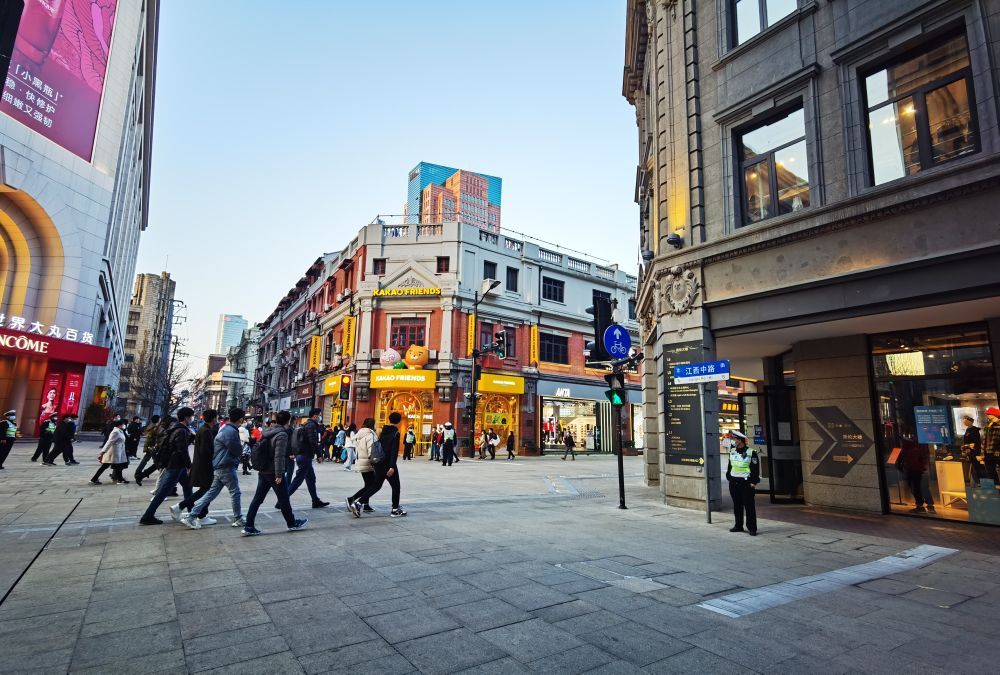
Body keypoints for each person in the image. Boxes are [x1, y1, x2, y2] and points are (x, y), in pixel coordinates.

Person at [243, 410, 307, 535]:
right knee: (284, 499)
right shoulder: (282, 434)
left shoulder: (267, 431)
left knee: (258, 499)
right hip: (273, 471)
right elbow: (279, 455)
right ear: (288, 421)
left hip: (264, 470)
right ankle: (291, 523)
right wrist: (279, 474)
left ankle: (248, 525)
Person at [181, 407, 246, 529]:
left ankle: (191, 516)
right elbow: (237, 450)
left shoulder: (225, 429)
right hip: (226, 466)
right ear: (241, 419)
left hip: (219, 466)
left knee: (210, 494)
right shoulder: (231, 432)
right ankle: (238, 518)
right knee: (235, 492)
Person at [139, 408, 195, 525]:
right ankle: (147, 516)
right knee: (163, 492)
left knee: (187, 486)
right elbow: (182, 450)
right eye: (191, 416)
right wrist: (189, 466)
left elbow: (178, 445)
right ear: (186, 417)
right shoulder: (181, 430)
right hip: (176, 465)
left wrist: (191, 436)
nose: (192, 418)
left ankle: (192, 512)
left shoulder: (175, 428)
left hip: (176, 464)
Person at [350, 411, 407, 517]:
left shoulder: (383, 431)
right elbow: (393, 451)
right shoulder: (395, 433)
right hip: (388, 464)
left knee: (376, 485)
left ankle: (358, 503)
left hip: (379, 463)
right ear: (399, 421)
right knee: (396, 486)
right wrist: (392, 466)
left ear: (389, 419)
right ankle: (395, 509)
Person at [172, 409, 218, 524]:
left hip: (200, 465)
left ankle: (199, 514)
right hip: (205, 466)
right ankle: (188, 510)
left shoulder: (202, 429)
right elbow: (205, 451)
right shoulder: (206, 431)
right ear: (213, 418)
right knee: (206, 491)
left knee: (205, 491)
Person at [287, 407, 330, 508]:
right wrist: (319, 455)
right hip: (305, 456)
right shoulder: (311, 426)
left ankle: (315, 501)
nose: (320, 417)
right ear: (315, 416)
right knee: (298, 480)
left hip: (303, 456)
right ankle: (282, 500)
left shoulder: (306, 424)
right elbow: (313, 441)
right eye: (319, 415)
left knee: (311, 479)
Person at [725, 430, 760, 535]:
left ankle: (752, 528)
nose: (733, 441)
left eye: (734, 439)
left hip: (746, 483)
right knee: (737, 505)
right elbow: (730, 465)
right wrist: (729, 477)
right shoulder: (732, 451)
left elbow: (755, 468)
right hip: (734, 482)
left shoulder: (751, 452)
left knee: (749, 506)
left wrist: (753, 482)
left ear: (740, 440)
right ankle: (738, 525)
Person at [346, 418, 379, 515]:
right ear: (372, 425)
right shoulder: (370, 435)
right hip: (368, 463)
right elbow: (372, 450)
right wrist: (375, 462)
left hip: (361, 462)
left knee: (368, 485)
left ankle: (365, 505)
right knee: (372, 485)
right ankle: (353, 499)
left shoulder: (360, 433)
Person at [898, 432, 935, 513]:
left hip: (915, 468)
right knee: (921, 487)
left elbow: (909, 456)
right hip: (920, 467)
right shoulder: (920, 443)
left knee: (916, 487)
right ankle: (928, 505)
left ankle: (921, 505)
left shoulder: (909, 446)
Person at [91, 418, 129, 484]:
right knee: (114, 466)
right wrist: (102, 452)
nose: (124, 425)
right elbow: (109, 442)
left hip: (118, 451)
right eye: (123, 424)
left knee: (113, 466)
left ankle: (94, 479)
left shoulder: (120, 431)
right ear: (119, 425)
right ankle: (120, 480)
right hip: (114, 452)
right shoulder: (115, 432)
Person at [133, 415, 162, 484]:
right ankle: (139, 473)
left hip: (150, 446)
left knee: (147, 460)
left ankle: (138, 472)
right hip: (152, 447)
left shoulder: (151, 426)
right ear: (158, 420)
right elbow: (154, 437)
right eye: (160, 419)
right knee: (156, 462)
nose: (160, 420)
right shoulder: (155, 427)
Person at [960, 414, 983, 485]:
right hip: (969, 450)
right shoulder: (968, 429)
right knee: (972, 466)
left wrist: (969, 446)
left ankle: (979, 481)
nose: (964, 422)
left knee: (976, 466)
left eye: (966, 421)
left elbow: (976, 441)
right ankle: (975, 481)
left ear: (970, 422)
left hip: (974, 451)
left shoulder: (974, 430)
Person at [982, 407, 1000, 485]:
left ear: (994, 414)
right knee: (990, 471)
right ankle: (996, 486)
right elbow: (984, 439)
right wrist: (982, 452)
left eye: (989, 414)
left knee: (997, 470)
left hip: (996, 452)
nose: (987, 415)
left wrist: (998, 450)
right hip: (988, 451)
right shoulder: (988, 425)